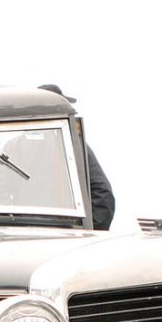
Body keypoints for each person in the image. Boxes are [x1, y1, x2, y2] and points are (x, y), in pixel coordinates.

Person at [37, 84, 115, 229]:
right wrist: (90, 232)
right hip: (64, 234)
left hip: (23, 234)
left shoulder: (12, 147)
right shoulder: (73, 145)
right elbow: (103, 193)